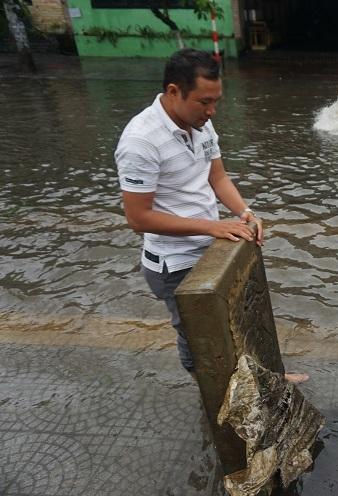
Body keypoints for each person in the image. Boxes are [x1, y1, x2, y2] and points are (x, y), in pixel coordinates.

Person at [115, 49, 306, 383]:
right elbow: (139, 218)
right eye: (204, 102)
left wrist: (245, 213)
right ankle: (215, 397)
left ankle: (262, 379)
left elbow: (217, 177)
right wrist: (214, 226)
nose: (212, 110)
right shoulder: (140, 141)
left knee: (240, 317)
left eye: (216, 101)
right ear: (174, 92)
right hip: (174, 263)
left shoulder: (200, 124)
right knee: (201, 340)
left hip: (212, 247)